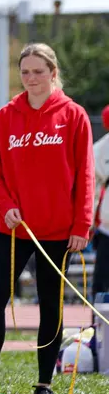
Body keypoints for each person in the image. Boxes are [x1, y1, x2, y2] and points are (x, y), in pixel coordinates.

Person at [0, 43, 94, 394]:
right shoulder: (5, 117)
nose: (31, 79)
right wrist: (4, 206)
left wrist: (82, 225)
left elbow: (86, 175)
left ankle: (44, 385)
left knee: (51, 307)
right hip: (13, 229)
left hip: (59, 232)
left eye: (38, 71)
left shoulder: (73, 116)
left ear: (53, 73)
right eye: (25, 72)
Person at [92, 104, 109, 300]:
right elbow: (92, 189)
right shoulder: (100, 149)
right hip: (106, 227)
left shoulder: (99, 148)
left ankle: (99, 325)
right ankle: (99, 325)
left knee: (102, 281)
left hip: (106, 224)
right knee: (101, 281)